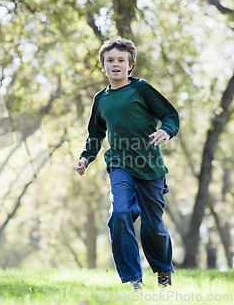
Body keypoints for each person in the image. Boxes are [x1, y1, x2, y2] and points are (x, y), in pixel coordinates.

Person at [74, 36, 179, 290]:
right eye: (110, 60)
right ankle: (134, 278)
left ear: (130, 64)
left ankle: (163, 270)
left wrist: (166, 130)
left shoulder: (141, 89)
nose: (116, 64)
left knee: (153, 226)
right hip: (119, 163)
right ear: (103, 66)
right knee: (120, 213)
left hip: (150, 166)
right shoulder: (101, 99)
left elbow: (170, 115)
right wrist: (86, 157)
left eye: (121, 60)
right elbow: (96, 133)